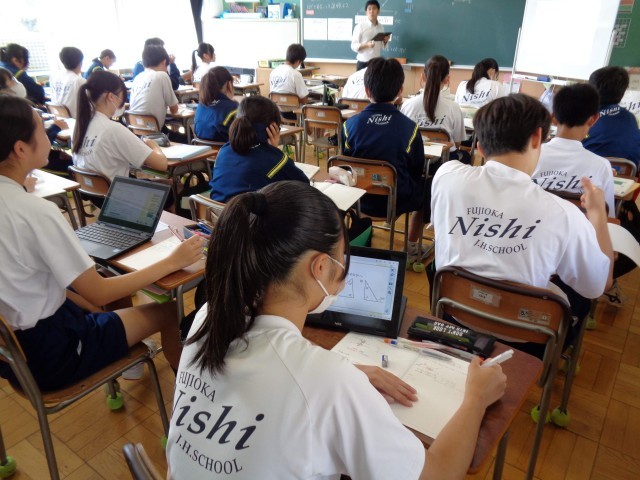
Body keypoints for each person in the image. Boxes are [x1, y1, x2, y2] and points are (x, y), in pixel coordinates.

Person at [166, 180, 507, 479]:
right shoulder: (327, 383)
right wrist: (476, 399)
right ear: (320, 267)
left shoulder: (209, 316)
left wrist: (346, 376)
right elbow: (436, 475)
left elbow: (270, 378)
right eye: (343, 258)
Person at [0, 95, 203, 391]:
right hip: (54, 353)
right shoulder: (35, 212)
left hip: (14, 353)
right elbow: (99, 292)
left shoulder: (18, 202)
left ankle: (127, 357)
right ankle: (188, 394)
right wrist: (172, 261)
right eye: (41, 130)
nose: (48, 135)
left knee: (101, 280)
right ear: (20, 149)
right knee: (169, 311)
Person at [430, 94, 613, 356]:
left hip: (453, 315)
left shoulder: (447, 176)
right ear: (538, 137)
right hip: (525, 338)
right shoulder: (564, 214)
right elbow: (598, 285)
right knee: (577, 294)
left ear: (480, 147)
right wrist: (598, 215)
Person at [341, 57, 428, 263]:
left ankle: (359, 230)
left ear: (367, 90)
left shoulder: (349, 125)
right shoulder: (409, 128)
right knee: (428, 187)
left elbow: (344, 166)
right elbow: (417, 170)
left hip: (359, 199)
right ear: (400, 91)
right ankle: (412, 246)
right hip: (397, 200)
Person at [532, 83, 615, 217]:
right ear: (593, 119)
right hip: (581, 230)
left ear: (553, 118)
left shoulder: (530, 155)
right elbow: (607, 216)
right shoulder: (602, 166)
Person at [72, 70, 169, 182]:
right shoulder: (113, 129)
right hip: (117, 191)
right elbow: (161, 164)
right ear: (111, 97)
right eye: (121, 99)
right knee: (168, 185)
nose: (121, 104)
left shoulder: (79, 127)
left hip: (95, 191)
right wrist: (154, 146)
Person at [209, 96, 308, 202]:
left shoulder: (223, 151)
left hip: (216, 211)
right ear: (273, 128)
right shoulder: (276, 160)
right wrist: (273, 150)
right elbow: (305, 186)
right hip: (249, 212)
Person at [400, 55, 468, 164]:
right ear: (447, 79)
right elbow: (457, 143)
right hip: (443, 163)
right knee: (466, 156)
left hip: (413, 163)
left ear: (423, 77)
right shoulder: (453, 107)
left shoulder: (407, 105)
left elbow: (403, 137)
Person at [583, 66, 640, 168]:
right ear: (623, 91)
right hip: (626, 174)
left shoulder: (583, 116)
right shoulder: (631, 118)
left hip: (587, 172)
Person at [129, 44, 179, 130]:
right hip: (153, 131)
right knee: (183, 134)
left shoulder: (138, 78)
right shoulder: (162, 75)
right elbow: (174, 109)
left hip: (135, 129)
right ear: (164, 62)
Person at [194, 67, 238, 142]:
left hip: (202, 148)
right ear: (228, 84)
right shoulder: (233, 108)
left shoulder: (201, 105)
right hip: (225, 148)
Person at [269, 43, 309, 119]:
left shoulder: (273, 72)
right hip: (293, 113)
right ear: (298, 61)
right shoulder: (295, 74)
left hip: (277, 113)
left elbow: (272, 94)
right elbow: (304, 99)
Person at [351, 0, 389, 71]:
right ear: (366, 12)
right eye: (369, 9)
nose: (372, 11)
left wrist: (385, 41)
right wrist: (367, 45)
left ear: (378, 11)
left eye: (374, 8)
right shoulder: (360, 26)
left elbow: (382, 46)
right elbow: (353, 46)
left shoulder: (381, 27)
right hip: (363, 63)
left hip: (377, 63)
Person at [49, 46, 86, 118]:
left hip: (59, 118)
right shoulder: (79, 81)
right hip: (77, 120)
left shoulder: (54, 77)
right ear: (80, 62)